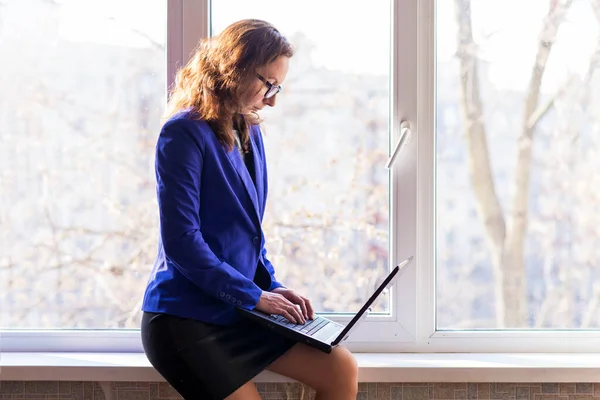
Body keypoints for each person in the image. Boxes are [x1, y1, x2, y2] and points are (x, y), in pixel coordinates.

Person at [140, 19, 358, 400]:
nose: (272, 99)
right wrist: (256, 296)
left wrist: (273, 287)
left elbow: (247, 237)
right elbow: (182, 242)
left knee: (340, 367)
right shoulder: (183, 133)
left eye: (279, 87)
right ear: (234, 67)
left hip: (239, 307)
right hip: (185, 318)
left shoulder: (250, 132)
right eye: (268, 84)